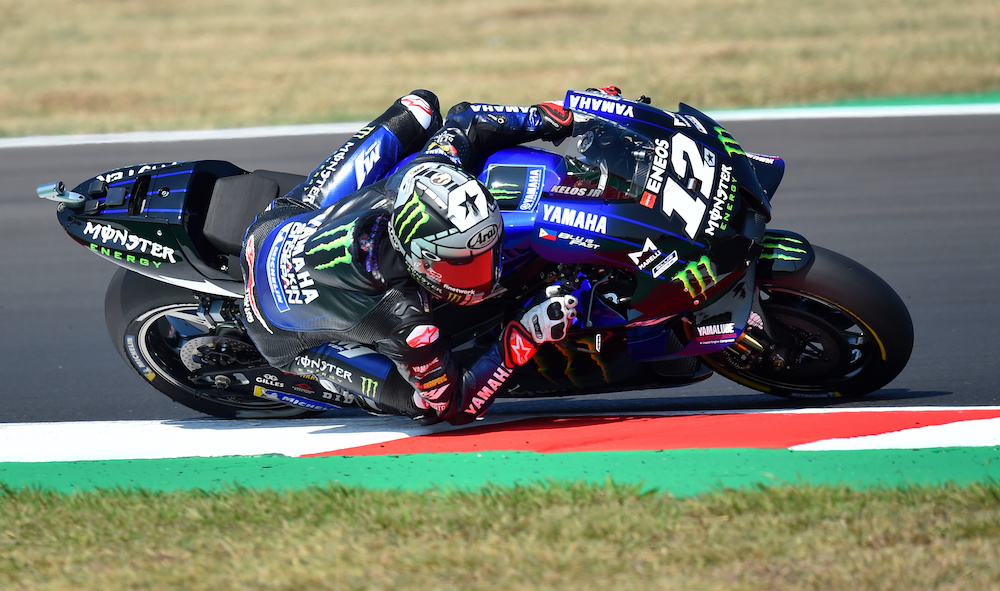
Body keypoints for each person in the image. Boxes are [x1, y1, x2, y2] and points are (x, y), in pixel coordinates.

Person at [240, 90, 580, 425]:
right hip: (276, 330)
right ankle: (324, 376)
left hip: (278, 224)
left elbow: (468, 119)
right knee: (424, 403)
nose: (487, 273)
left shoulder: (425, 171)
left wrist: (554, 118)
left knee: (419, 107)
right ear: (422, 261)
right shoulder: (406, 320)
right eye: (464, 264)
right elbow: (457, 404)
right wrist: (525, 335)